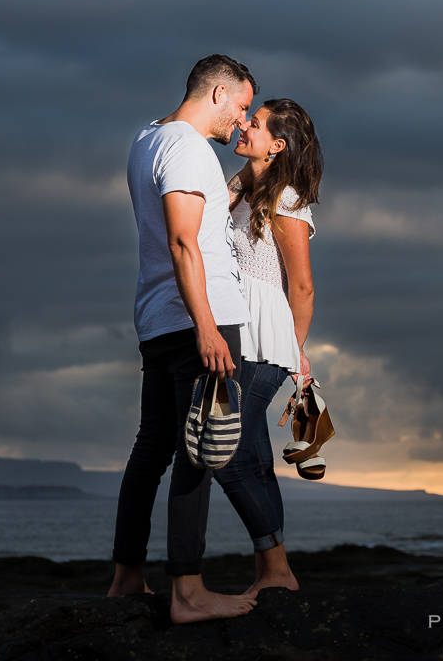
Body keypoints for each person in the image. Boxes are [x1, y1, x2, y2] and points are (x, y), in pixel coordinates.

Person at [109, 55, 257, 623]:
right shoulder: (190, 147)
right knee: (201, 453)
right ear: (218, 92)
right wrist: (207, 326)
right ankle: (188, 593)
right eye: (241, 107)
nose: (242, 122)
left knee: (154, 447)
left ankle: (126, 578)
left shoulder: (147, 138)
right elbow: (183, 241)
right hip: (200, 319)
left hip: (156, 317)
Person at [214, 98, 323, 596]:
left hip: (264, 343)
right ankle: (272, 577)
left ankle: (278, 571)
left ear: (278, 145)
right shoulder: (244, 190)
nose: (243, 125)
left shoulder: (287, 200)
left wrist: (292, 349)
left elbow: (301, 287)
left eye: (253, 125)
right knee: (255, 460)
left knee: (228, 455)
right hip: (240, 335)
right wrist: (247, 165)